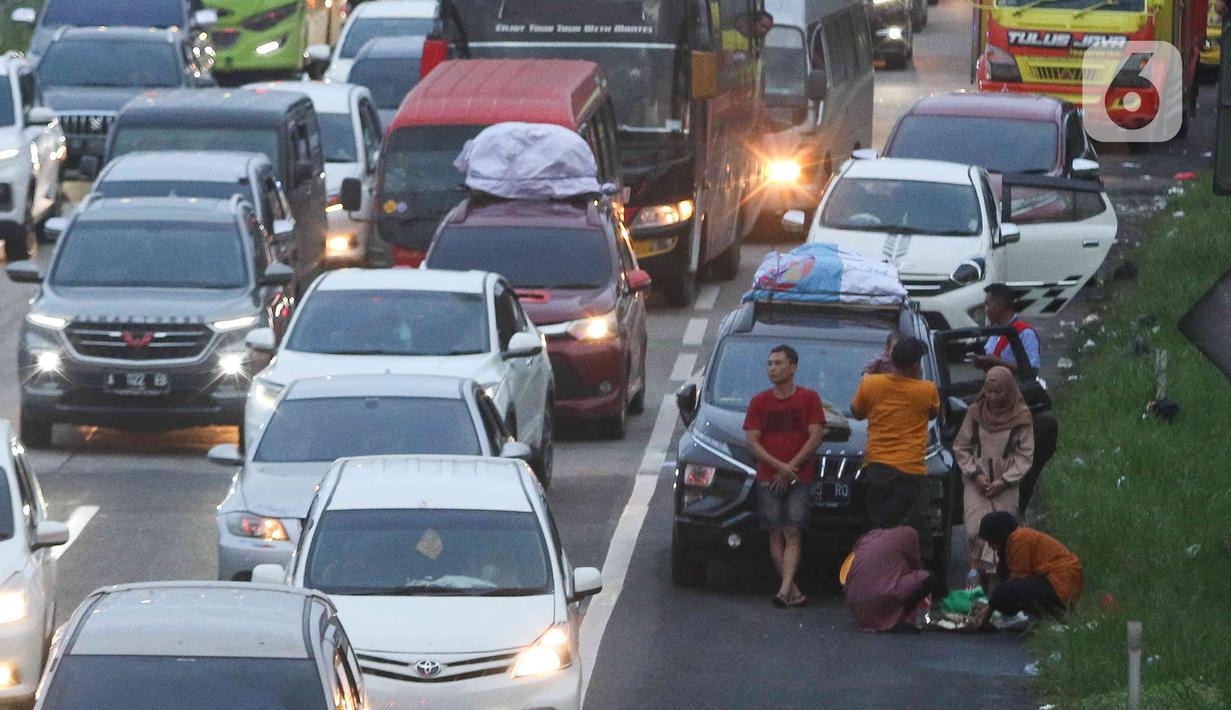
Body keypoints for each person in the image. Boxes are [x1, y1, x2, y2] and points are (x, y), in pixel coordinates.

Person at [744, 344, 825, 608]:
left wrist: (791, 468)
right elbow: (753, 441)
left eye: (778, 363)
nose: (772, 368)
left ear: (793, 368)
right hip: (769, 476)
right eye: (770, 364)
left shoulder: (809, 399)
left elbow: (815, 437)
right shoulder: (759, 402)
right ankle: (792, 589)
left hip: (799, 477)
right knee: (775, 531)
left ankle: (784, 589)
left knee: (793, 530)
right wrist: (780, 466)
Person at [850, 337, 940, 565]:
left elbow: (857, 412)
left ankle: (878, 571)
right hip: (911, 471)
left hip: (877, 468)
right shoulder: (927, 390)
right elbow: (933, 413)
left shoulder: (871, 384)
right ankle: (915, 575)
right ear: (915, 366)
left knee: (879, 528)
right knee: (917, 530)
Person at [954, 367, 1034, 587]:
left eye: (998, 392)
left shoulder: (1021, 416)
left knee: (1004, 536)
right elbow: (961, 447)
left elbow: (1025, 454)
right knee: (975, 531)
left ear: (1008, 391)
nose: (992, 397)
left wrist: (1004, 481)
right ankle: (979, 581)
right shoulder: (975, 413)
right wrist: (976, 475)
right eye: (988, 391)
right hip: (977, 481)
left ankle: (1004, 584)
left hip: (1006, 482)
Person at [844, 488, 945, 633]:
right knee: (928, 578)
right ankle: (902, 616)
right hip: (878, 599)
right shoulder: (907, 533)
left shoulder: (868, 536)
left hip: (856, 605)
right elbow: (917, 567)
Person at [976, 512, 1083, 619]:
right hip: (1057, 581)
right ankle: (1043, 615)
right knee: (1004, 588)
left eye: (990, 541)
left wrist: (991, 606)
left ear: (998, 536)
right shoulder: (1012, 542)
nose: (989, 546)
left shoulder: (1018, 539)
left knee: (1002, 593)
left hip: (1060, 581)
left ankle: (1049, 613)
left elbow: (1018, 578)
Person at [974, 283, 1040, 374]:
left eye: (988, 305)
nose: (986, 310)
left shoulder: (1026, 333)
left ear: (1000, 305)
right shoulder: (995, 332)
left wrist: (998, 362)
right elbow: (991, 358)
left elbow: (1032, 370)